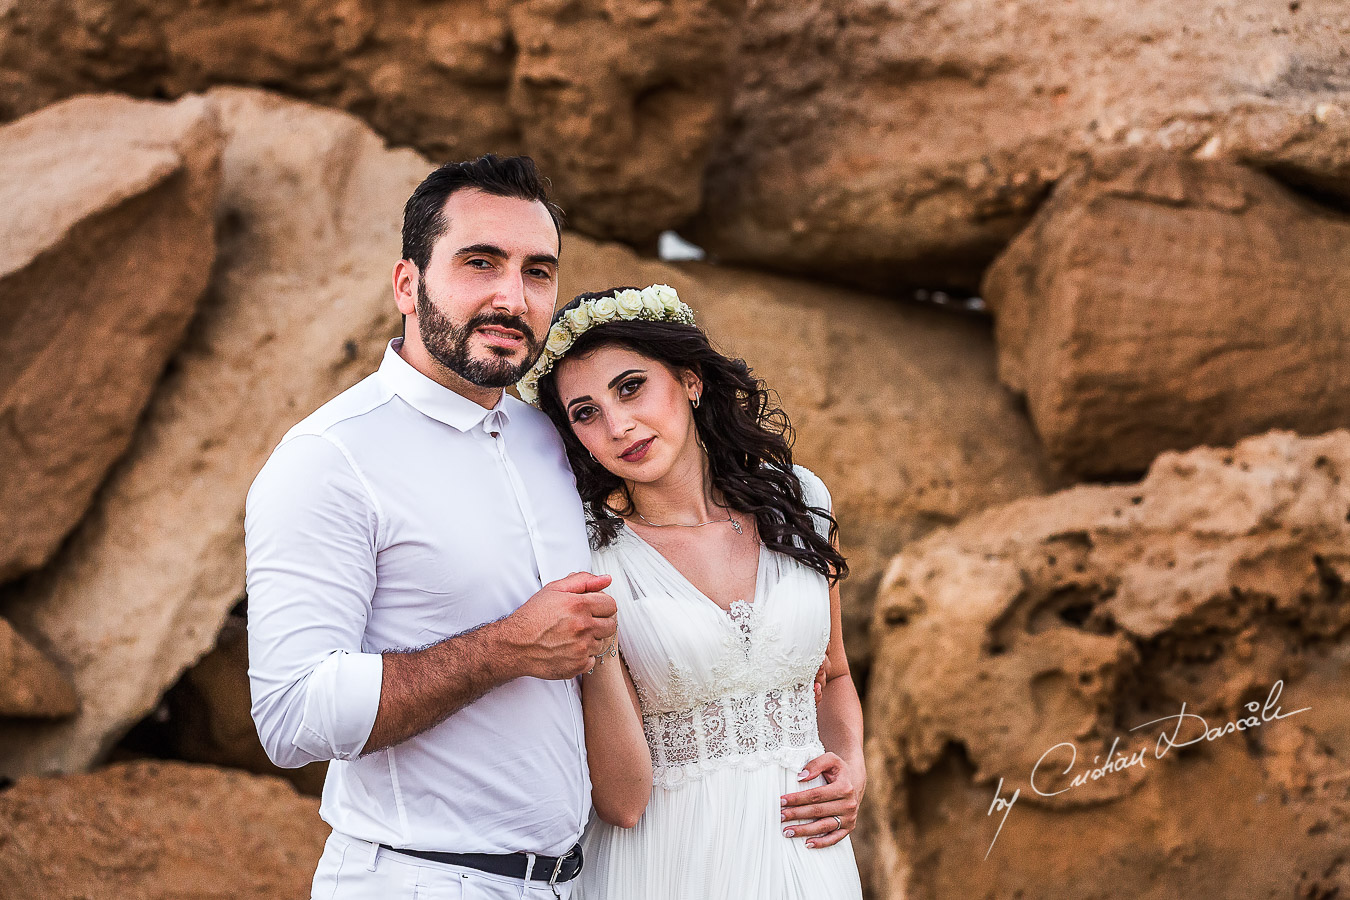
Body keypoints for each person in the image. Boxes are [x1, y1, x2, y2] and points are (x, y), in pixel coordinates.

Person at [244, 155, 619, 899]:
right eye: (480, 263)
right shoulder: (330, 459)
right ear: (407, 285)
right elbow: (289, 716)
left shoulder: (550, 438)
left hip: (572, 882)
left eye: (538, 272)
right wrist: (506, 647)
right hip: (417, 880)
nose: (512, 297)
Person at [516, 285, 866, 899]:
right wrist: (595, 649)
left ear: (691, 380)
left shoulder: (799, 500)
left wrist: (851, 766)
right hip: (666, 864)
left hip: (809, 862)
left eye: (630, 387)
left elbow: (833, 673)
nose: (618, 425)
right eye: (585, 412)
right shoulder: (588, 558)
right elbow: (623, 803)